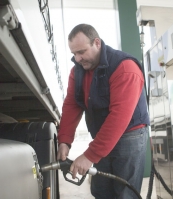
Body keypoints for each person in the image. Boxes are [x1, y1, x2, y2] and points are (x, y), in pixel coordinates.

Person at [57, 24, 150, 199]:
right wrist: (64, 140)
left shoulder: (124, 68)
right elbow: (72, 104)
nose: (77, 59)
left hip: (129, 136)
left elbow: (119, 117)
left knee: (125, 193)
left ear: (97, 43)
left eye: (82, 52)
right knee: (101, 191)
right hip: (102, 136)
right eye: (74, 54)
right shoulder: (77, 71)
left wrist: (89, 155)